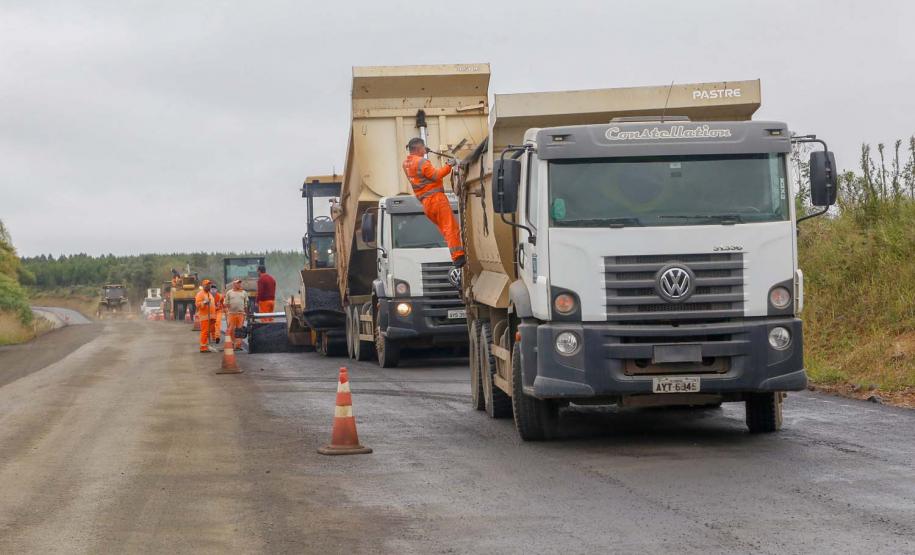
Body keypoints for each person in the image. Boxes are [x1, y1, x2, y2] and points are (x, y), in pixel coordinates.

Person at [401, 137, 465, 269]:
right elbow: (436, 175)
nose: (425, 149)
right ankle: (458, 257)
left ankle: (456, 254)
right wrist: (449, 165)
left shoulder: (406, 164)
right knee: (450, 228)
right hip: (436, 200)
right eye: (424, 148)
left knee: (445, 229)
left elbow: (421, 178)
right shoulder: (422, 162)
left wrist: (425, 153)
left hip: (426, 204)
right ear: (419, 149)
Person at [224, 279, 248, 351]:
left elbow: (246, 304)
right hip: (231, 314)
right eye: (237, 283)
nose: (239, 284)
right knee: (231, 329)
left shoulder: (244, 293)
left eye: (240, 283)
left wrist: (246, 312)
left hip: (241, 314)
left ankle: (238, 345)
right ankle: (232, 343)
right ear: (234, 284)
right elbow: (226, 302)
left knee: (239, 330)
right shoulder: (229, 292)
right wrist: (227, 307)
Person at [194, 280, 216, 353]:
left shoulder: (209, 294)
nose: (208, 286)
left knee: (207, 332)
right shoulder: (200, 294)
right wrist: (204, 302)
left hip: (211, 317)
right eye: (207, 285)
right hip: (205, 317)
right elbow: (197, 304)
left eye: (209, 285)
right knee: (204, 332)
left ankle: (206, 345)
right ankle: (203, 347)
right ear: (203, 286)